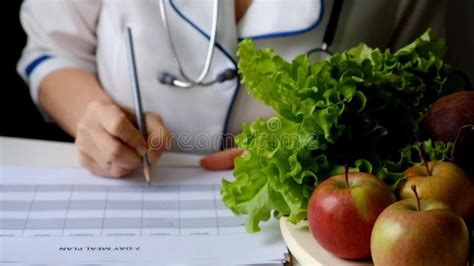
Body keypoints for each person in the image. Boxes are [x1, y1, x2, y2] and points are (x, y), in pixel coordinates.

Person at [17, 0, 450, 178]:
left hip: (306, 231)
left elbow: (434, 104)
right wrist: (92, 115)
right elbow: (52, 50)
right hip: (142, 188)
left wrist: (321, 148)